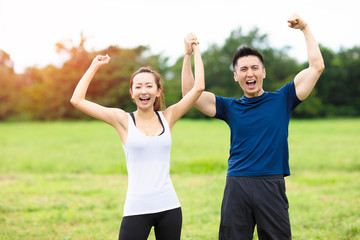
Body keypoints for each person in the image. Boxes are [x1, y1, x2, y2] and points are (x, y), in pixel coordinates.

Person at [182, 14, 324, 239]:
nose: (250, 73)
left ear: (263, 72)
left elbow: (316, 67)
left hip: (271, 183)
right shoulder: (229, 107)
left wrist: (305, 28)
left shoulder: (283, 98)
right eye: (244, 69)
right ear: (236, 76)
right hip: (237, 183)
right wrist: (189, 55)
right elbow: (191, 94)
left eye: (255, 68)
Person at [70, 33, 204, 240]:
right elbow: (77, 100)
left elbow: (198, 88)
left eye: (149, 86)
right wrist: (94, 67)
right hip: (136, 209)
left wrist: (192, 52)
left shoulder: (168, 117)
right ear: (132, 93)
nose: (144, 90)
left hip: (169, 207)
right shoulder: (122, 120)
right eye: (138, 86)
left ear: (158, 91)